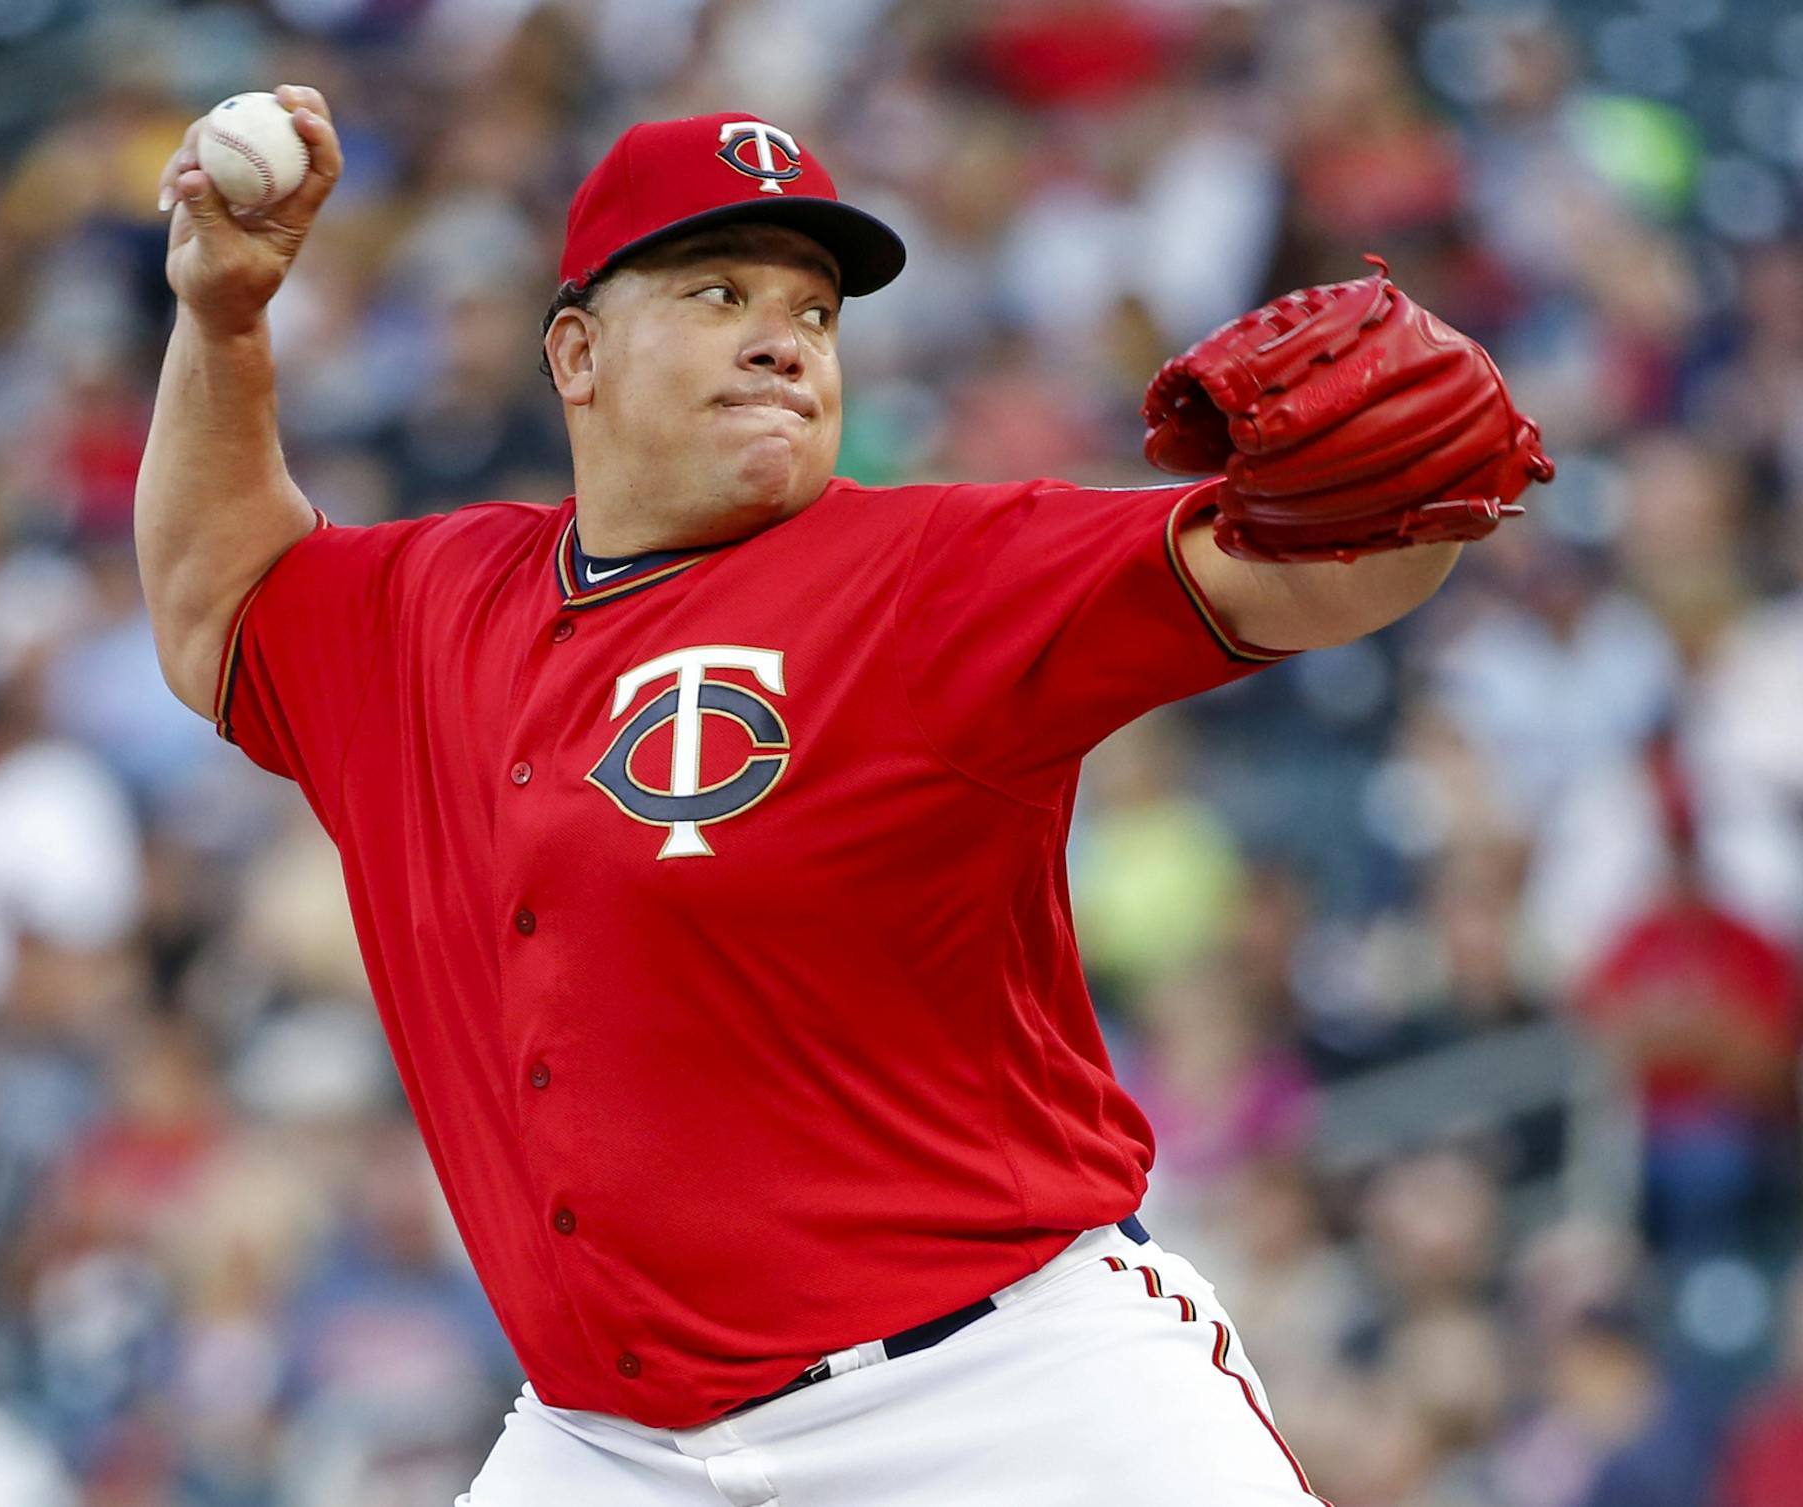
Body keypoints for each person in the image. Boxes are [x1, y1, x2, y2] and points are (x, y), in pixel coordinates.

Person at [139, 88, 1518, 1505]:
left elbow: (1304, 573)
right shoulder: (430, 606)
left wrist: (1411, 495)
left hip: (1008, 1397)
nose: (781, 338)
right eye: (718, 289)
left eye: (814, 312)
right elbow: (214, 601)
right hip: (610, 1448)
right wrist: (224, 322)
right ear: (577, 353)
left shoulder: (930, 574)